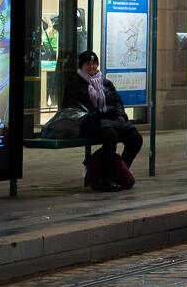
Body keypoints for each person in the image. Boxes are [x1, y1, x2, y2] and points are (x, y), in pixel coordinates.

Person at [61, 50, 142, 191]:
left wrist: (121, 115)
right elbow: (71, 105)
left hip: (110, 120)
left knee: (135, 138)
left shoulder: (105, 83)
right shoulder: (75, 83)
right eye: (88, 64)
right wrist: (97, 113)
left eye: (94, 63)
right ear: (81, 66)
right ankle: (102, 178)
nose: (92, 67)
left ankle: (117, 172)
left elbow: (118, 102)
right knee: (111, 136)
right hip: (89, 122)